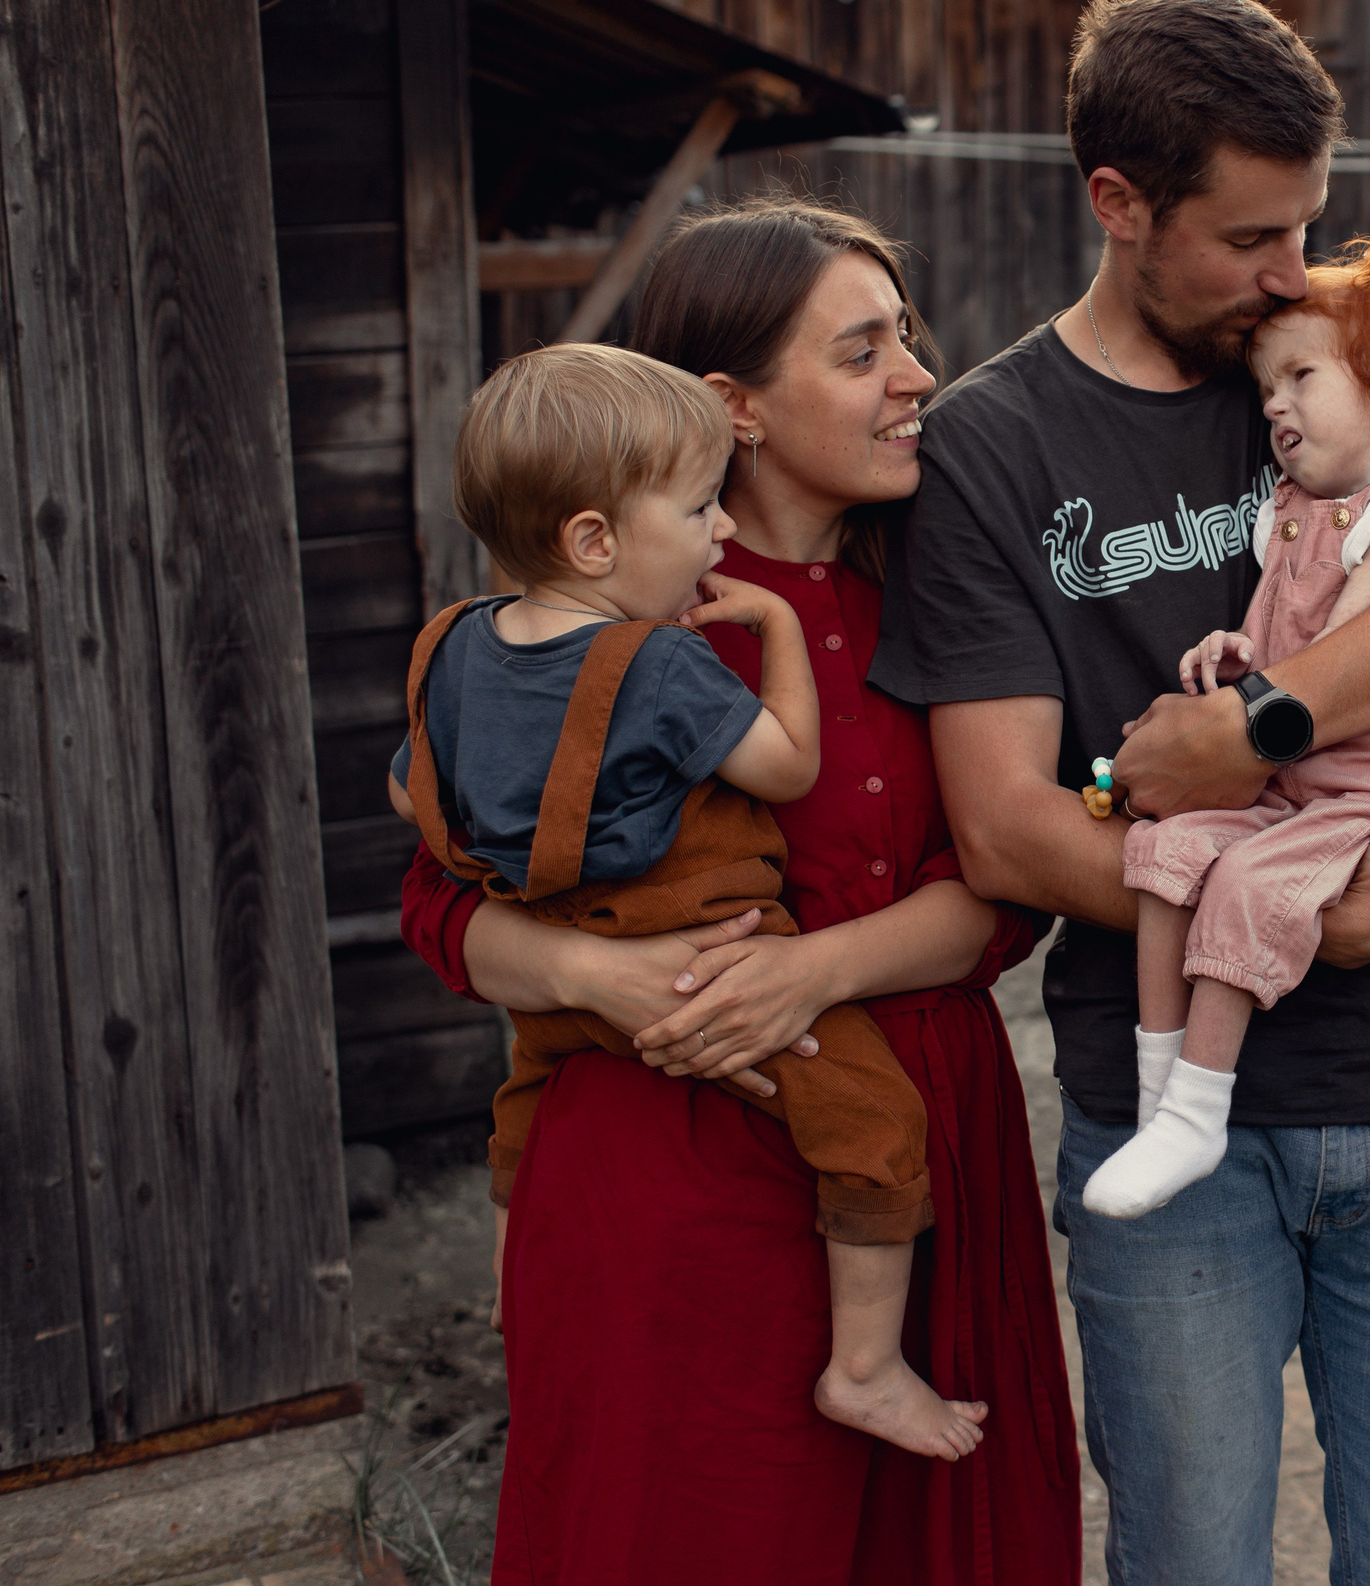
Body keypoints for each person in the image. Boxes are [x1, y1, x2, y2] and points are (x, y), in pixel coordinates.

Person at [870, 0, 1370, 1582]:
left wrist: (1266, 731)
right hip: (1160, 1104)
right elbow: (1002, 824)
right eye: (1253, 236)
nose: (1291, 273)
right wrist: (1303, 916)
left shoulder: (1349, 360)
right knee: (1191, 1559)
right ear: (1118, 203)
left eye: (1307, 226)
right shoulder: (992, 447)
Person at [398, 202, 1080, 1583]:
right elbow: (441, 898)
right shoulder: (611, 619)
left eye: (908, 335)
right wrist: (604, 977)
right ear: (736, 406)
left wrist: (811, 972)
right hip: (671, 1147)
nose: (916, 376)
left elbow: (1007, 886)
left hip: (914, 1129)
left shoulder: (957, 586)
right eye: (861, 348)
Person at [389, 342, 985, 1460]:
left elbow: (414, 797)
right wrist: (774, 633)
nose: (718, 532)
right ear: (594, 541)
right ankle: (866, 1367)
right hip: (708, 965)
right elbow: (788, 768)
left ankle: (517, 1300)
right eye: (699, 507)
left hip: (561, 1006)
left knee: (516, 1122)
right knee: (873, 1122)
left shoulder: (451, 645)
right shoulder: (659, 666)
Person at [1081, 236, 1370, 1220]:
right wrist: (1234, 654)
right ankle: (1158, 1088)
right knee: (1161, 849)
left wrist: (1251, 699)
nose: (1271, 403)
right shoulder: (1291, 510)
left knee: (1242, 882)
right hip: (1294, 781)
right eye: (1264, 384)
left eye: (1298, 377)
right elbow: (1281, 635)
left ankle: (1198, 1109)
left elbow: (1354, 641)